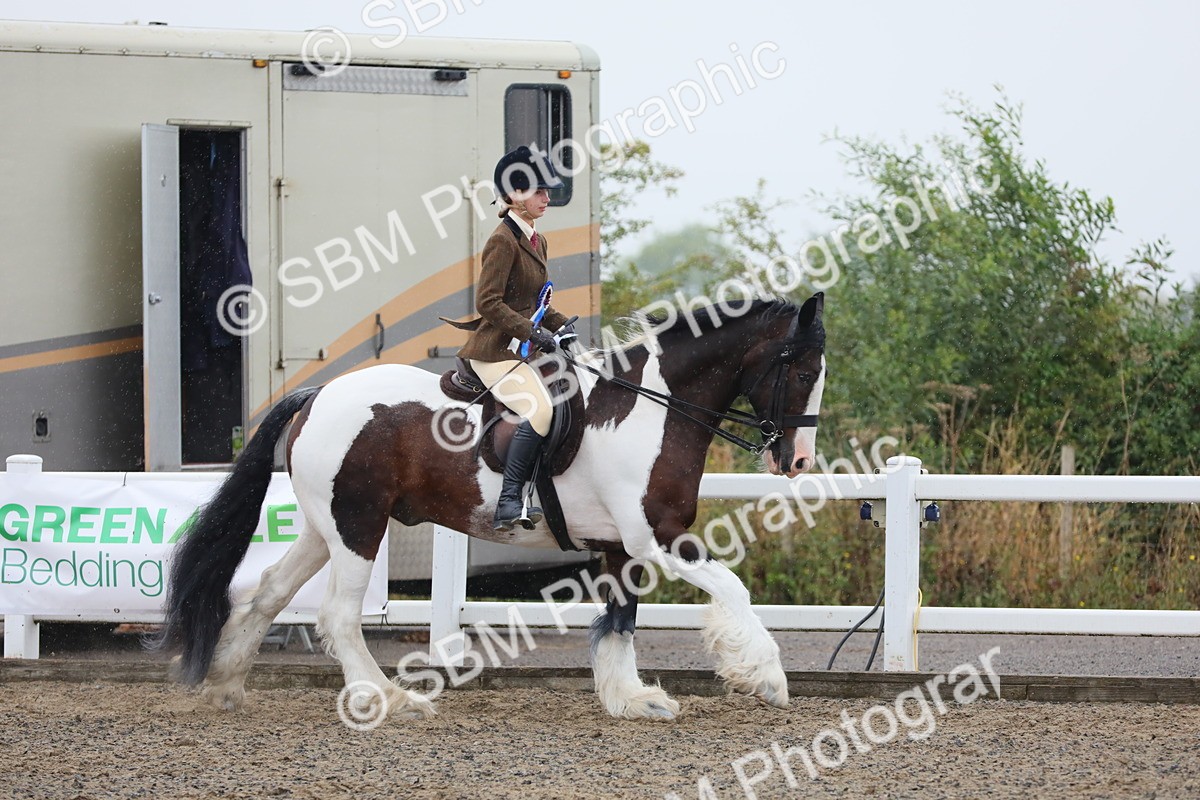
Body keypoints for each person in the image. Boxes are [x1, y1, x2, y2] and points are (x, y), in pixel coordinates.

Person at [456, 145, 571, 531]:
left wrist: (562, 326)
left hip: (520, 347)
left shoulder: (537, 239)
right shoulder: (502, 240)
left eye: (546, 191)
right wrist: (533, 332)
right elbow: (489, 303)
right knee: (539, 411)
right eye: (538, 191)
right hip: (494, 351)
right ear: (513, 196)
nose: (546, 198)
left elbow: (532, 301)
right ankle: (508, 501)